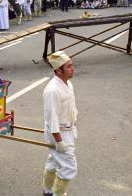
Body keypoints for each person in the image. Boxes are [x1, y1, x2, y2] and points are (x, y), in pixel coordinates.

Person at [42, 51, 78, 196]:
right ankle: (58, 193)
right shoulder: (53, 91)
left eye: (72, 65)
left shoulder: (67, 83)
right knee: (69, 166)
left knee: (54, 160)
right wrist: (59, 141)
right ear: (58, 70)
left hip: (68, 129)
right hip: (58, 133)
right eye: (69, 66)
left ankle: (47, 189)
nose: (72, 68)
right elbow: (52, 120)